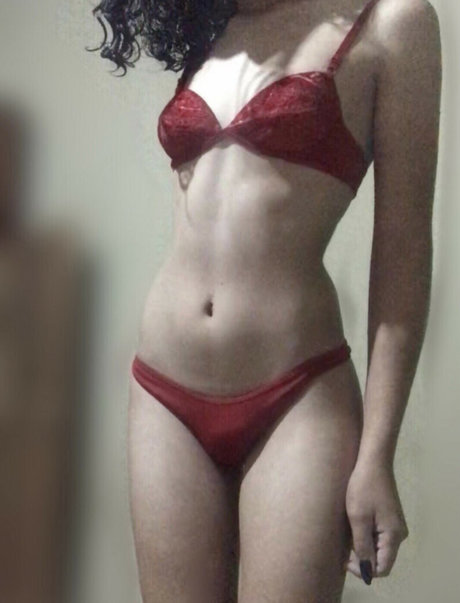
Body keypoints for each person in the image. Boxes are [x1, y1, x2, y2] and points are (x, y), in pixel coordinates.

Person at [89, 0, 441, 600]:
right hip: (162, 391)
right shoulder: (213, 22)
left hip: (296, 395)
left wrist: (377, 454)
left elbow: (403, 250)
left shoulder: (394, 21)